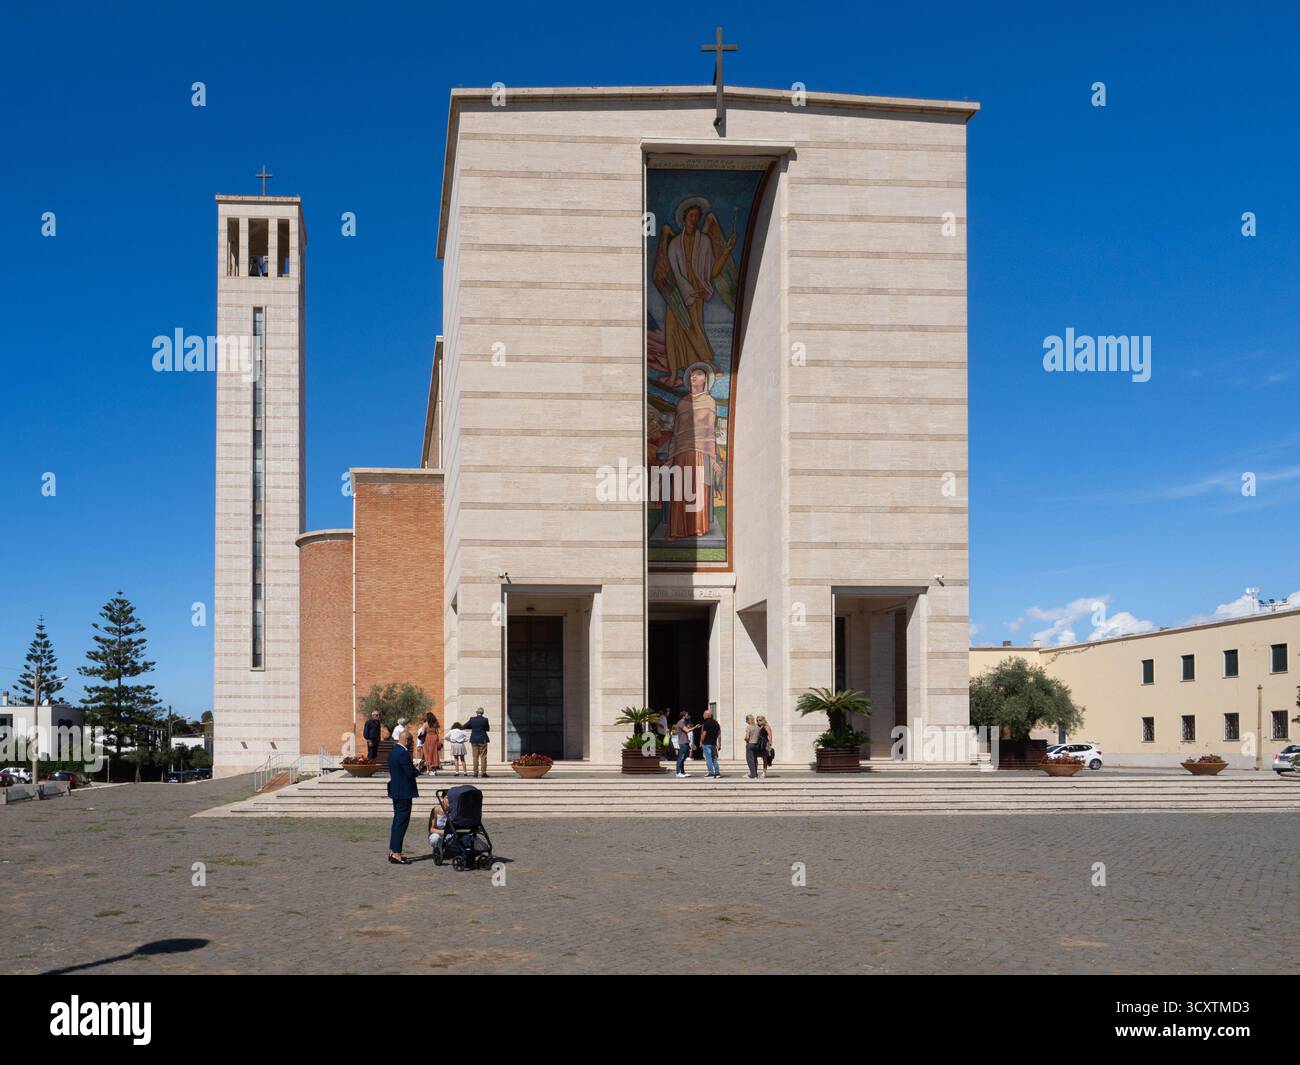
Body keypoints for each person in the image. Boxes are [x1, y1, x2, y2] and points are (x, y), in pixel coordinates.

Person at [386, 731, 419, 865]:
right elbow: (410, 773)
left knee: (397, 822)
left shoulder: (393, 752)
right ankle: (396, 853)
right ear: (406, 740)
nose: (411, 744)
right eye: (411, 741)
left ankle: (393, 850)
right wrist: (418, 770)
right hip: (404, 792)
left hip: (396, 791)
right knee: (401, 823)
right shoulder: (403, 753)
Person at [467, 707, 491, 778]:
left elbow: (466, 725)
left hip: (474, 740)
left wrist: (473, 727)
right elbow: (487, 729)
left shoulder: (472, 719)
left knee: (475, 757)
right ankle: (483, 772)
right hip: (483, 739)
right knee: (483, 756)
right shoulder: (485, 719)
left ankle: (475, 773)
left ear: (476, 712)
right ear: (483, 713)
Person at [672, 712, 698, 778]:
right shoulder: (680, 722)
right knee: (681, 758)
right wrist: (695, 727)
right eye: (687, 715)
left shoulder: (684, 722)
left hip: (685, 742)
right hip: (682, 742)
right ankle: (678, 772)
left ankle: (682, 772)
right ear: (683, 716)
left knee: (683, 758)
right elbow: (687, 730)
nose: (688, 716)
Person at [699, 709, 722, 779]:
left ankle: (711, 773)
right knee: (714, 758)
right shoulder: (716, 723)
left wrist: (701, 741)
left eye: (704, 714)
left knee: (708, 758)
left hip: (707, 743)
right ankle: (717, 773)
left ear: (708, 715)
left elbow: (704, 734)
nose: (703, 716)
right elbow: (719, 734)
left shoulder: (705, 723)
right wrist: (719, 744)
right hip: (713, 744)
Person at [421, 712, 441, 776]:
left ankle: (429, 770)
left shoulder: (425, 724)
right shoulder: (435, 723)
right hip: (435, 738)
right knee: (435, 753)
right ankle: (435, 770)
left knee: (428, 754)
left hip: (428, 738)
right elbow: (437, 732)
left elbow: (422, 732)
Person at [743, 714, 761, 780]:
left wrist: (745, 739)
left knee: (750, 760)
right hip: (756, 744)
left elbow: (747, 737)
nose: (746, 722)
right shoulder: (757, 727)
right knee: (755, 759)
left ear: (748, 720)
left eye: (746, 720)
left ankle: (753, 775)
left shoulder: (749, 727)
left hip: (750, 744)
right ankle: (755, 773)